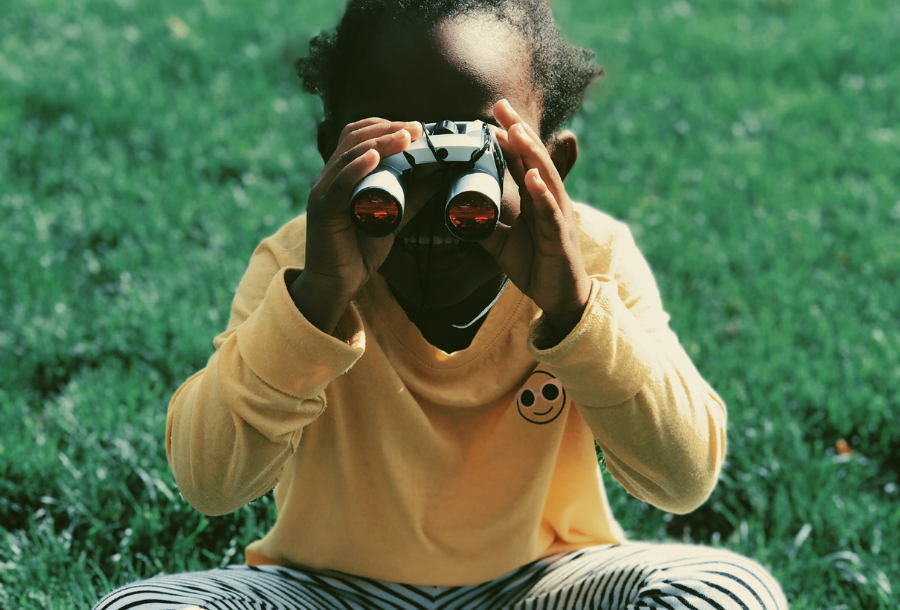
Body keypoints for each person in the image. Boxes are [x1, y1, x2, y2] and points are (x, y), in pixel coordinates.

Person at [94, 0, 789, 608]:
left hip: (539, 585)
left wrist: (573, 308)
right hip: (331, 590)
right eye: (398, 155)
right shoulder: (300, 266)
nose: (430, 203)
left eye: (475, 161)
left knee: (729, 593)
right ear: (332, 156)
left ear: (556, 165)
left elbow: (683, 478)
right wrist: (317, 304)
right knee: (143, 606)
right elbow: (212, 483)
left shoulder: (592, 258)